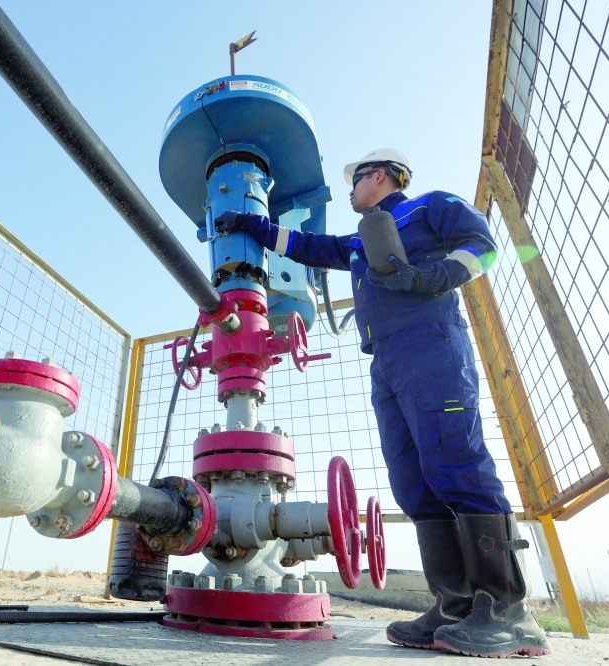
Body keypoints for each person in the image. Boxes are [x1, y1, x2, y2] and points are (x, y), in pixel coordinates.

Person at [214, 148, 551, 658]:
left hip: (431, 344)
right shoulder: (357, 241)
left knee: (456, 465)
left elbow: (482, 246)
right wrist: (253, 225)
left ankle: (507, 611)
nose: (350, 190)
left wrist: (429, 278)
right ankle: (455, 604)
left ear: (381, 176)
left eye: (355, 181)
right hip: (387, 360)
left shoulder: (430, 207)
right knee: (413, 481)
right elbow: (307, 244)